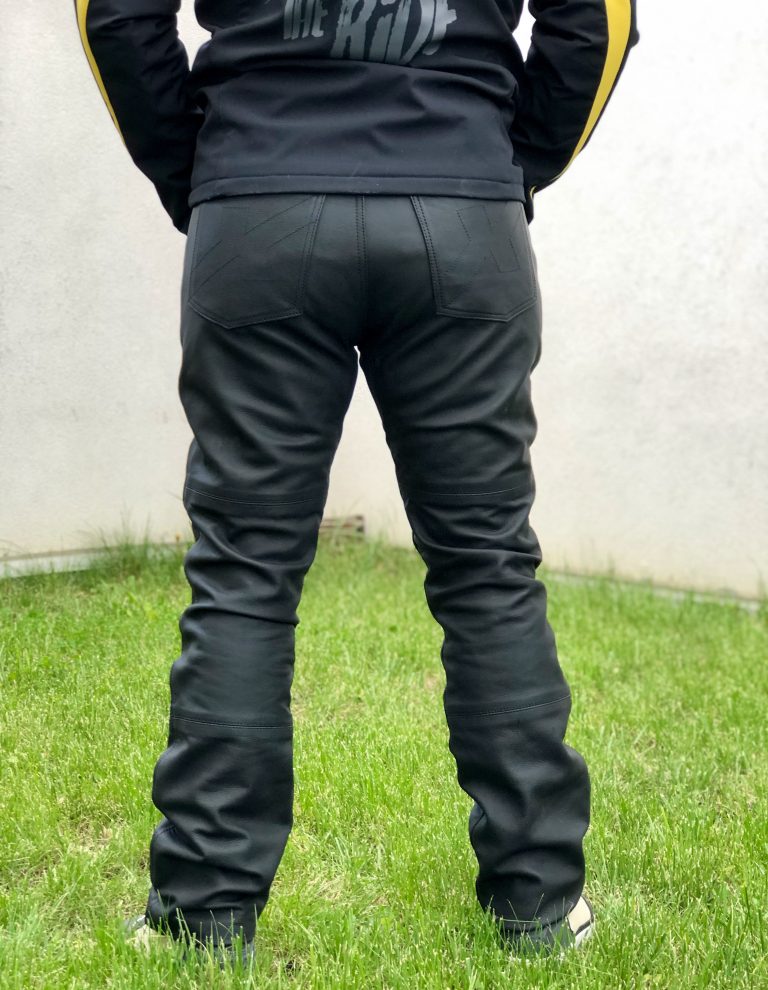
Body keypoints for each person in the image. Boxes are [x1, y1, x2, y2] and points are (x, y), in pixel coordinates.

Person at [75, 0, 639, 967]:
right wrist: (502, 166)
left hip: (260, 197)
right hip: (461, 204)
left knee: (244, 571)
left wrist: (205, 171)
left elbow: (115, 14)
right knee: (487, 565)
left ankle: (203, 914)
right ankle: (540, 908)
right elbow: (600, 20)